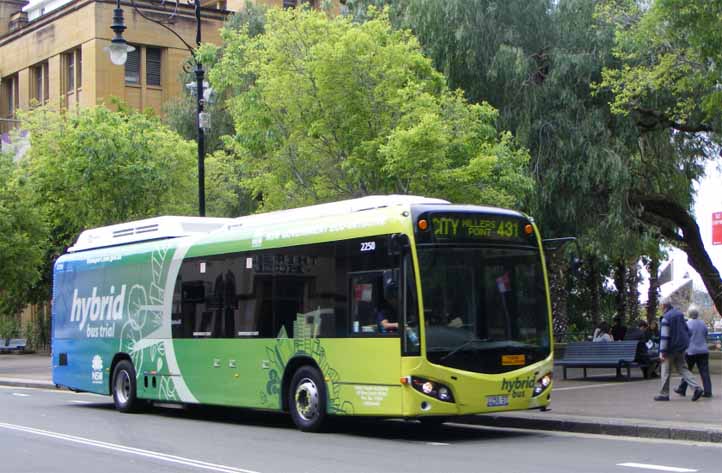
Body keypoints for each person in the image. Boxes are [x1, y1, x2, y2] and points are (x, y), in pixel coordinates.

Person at [654, 301, 703, 402]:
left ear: (664, 307)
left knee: (665, 371)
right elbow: (688, 331)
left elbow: (664, 336)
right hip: (681, 348)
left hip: (670, 349)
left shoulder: (666, 318)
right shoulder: (680, 315)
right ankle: (696, 388)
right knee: (683, 368)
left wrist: (662, 351)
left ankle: (664, 394)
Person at [675, 306, 712, 398]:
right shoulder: (703, 323)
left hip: (691, 351)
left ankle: (682, 389)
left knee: (687, 370)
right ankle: (708, 391)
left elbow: (684, 337)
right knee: (705, 372)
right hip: (703, 350)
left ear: (689, 314)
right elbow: (705, 334)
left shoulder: (687, 324)